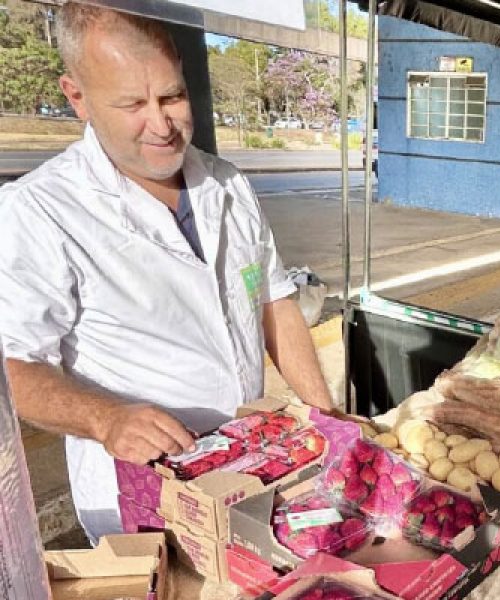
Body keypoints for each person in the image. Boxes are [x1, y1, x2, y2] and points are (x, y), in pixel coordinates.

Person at [0, 5, 334, 544]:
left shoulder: (227, 183)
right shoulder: (38, 211)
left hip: (246, 467)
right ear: (76, 96)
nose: (160, 125)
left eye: (172, 96)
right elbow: (13, 369)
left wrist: (328, 420)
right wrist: (106, 419)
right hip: (141, 499)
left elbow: (274, 301)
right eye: (132, 104)